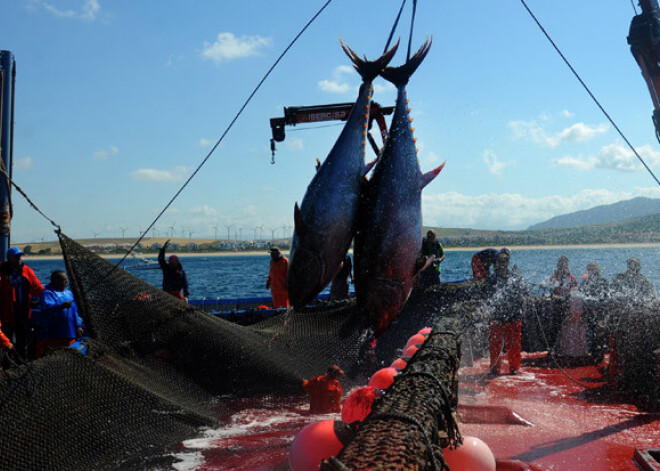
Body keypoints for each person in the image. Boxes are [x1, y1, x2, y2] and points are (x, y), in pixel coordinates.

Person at [482, 248, 528, 375]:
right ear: (496, 263)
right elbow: (486, 296)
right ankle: (495, 368)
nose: (502, 263)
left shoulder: (515, 278)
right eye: (500, 261)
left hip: (513, 315)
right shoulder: (491, 280)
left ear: (508, 262)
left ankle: (514, 367)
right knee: (495, 344)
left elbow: (524, 292)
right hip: (496, 315)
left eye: (505, 261)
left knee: (514, 344)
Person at [0, 247, 45, 361]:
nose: (19, 258)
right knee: (6, 342)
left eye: (20, 256)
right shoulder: (2, 270)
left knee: (23, 342)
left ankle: (21, 363)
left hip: (23, 314)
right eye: (16, 256)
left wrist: (48, 294)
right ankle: (7, 364)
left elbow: (38, 288)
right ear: (9, 258)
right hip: (5, 314)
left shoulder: (27, 271)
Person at [33, 270, 84, 359]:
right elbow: (47, 308)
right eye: (64, 280)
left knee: (68, 356)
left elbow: (74, 311)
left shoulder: (69, 293)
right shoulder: (47, 293)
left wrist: (77, 326)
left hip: (68, 333)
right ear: (56, 281)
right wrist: (61, 306)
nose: (66, 282)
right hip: (52, 333)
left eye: (66, 280)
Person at [579, 262, 610, 362]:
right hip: (589, 310)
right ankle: (591, 351)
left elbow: (606, 296)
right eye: (589, 269)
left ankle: (598, 352)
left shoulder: (603, 281)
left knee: (598, 331)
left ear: (597, 270)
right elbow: (581, 293)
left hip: (599, 310)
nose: (590, 271)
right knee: (589, 331)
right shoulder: (586, 281)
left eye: (592, 269)